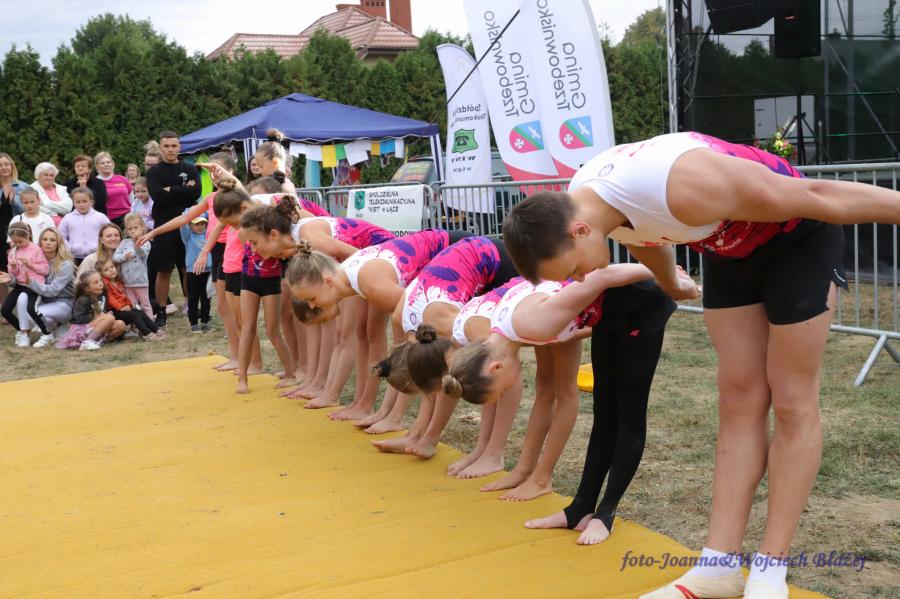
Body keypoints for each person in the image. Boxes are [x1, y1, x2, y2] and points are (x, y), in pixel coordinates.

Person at [501, 131, 900, 599]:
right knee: (738, 398)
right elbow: (641, 233)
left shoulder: (684, 183)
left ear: (579, 231)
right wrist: (671, 283)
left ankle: (770, 569)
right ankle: (718, 568)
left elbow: (817, 194)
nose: (580, 280)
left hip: (797, 238)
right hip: (728, 249)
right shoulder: (590, 205)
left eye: (572, 271)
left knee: (791, 398)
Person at [523, 280, 676, 545]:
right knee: (603, 407)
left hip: (644, 304)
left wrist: (668, 276)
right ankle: (581, 507)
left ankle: (606, 513)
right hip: (608, 304)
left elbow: (615, 270)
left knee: (630, 406)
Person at [367, 236, 521, 444]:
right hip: (474, 255)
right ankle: (420, 435)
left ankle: (491, 450)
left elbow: (487, 362)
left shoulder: (449, 325)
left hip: (498, 261)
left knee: (494, 366)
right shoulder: (405, 321)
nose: (431, 393)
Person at [139, 153, 243, 370]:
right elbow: (183, 218)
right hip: (217, 252)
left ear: (230, 173)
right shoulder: (211, 198)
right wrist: (154, 232)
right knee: (223, 307)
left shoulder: (239, 196)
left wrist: (223, 172)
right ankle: (236, 356)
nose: (214, 175)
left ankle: (248, 359)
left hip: (233, 252)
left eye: (218, 170)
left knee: (237, 310)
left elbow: (240, 193)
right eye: (212, 172)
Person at [146, 131, 201, 326]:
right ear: (160, 148)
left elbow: (196, 193)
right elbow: (157, 195)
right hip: (164, 226)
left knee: (187, 268)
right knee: (164, 269)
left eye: (174, 146)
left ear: (179, 147)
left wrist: (171, 189)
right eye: (166, 146)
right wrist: (183, 190)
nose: (170, 149)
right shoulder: (154, 172)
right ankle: (161, 310)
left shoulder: (190, 169)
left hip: (187, 225)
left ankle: (190, 306)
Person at [19, 227, 77, 347]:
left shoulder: (65, 265)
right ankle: (24, 334)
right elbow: (22, 278)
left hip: (64, 304)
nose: (48, 243)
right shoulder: (35, 260)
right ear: (40, 242)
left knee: (31, 314)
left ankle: (52, 331)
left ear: (58, 243)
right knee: (23, 296)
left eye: (52, 240)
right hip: (44, 301)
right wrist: (12, 279)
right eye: (44, 239)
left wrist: (31, 283)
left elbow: (52, 291)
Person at [1, 222, 50, 347]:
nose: (17, 245)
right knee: (5, 310)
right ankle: (22, 331)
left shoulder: (37, 250)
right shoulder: (13, 251)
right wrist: (13, 267)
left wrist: (30, 264)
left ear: (28, 236)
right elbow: (13, 273)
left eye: (20, 241)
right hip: (19, 285)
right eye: (14, 242)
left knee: (31, 309)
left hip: (34, 285)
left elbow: (45, 270)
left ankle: (47, 333)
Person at [56, 270, 126, 350]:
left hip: (97, 325)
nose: (100, 284)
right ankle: (87, 342)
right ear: (87, 288)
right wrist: (96, 316)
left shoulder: (102, 295)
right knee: (109, 318)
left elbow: (103, 311)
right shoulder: (83, 300)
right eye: (96, 282)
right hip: (82, 328)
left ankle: (99, 341)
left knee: (120, 324)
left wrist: (104, 315)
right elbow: (79, 319)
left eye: (100, 280)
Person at [99, 258, 164, 340]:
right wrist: (120, 307)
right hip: (115, 311)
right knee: (135, 315)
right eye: (106, 270)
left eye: (112, 267)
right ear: (101, 274)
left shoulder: (118, 282)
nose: (111, 270)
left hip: (125, 307)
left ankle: (156, 330)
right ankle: (147, 334)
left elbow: (125, 296)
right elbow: (110, 298)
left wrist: (130, 304)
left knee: (140, 312)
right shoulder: (105, 283)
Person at [114, 214, 153, 319]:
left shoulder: (146, 243)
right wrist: (124, 257)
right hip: (127, 282)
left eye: (136, 228)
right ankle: (136, 325)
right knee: (133, 305)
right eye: (130, 229)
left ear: (142, 227)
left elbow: (142, 254)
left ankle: (150, 324)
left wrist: (137, 243)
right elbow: (115, 257)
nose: (133, 231)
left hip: (140, 281)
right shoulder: (124, 243)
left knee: (145, 304)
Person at [59, 187, 110, 266]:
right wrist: (69, 248)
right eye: (78, 202)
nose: (81, 205)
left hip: (97, 256)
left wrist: (101, 247)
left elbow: (109, 233)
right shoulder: (67, 218)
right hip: (74, 257)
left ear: (91, 201)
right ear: (73, 202)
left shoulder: (100, 217)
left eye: (84, 201)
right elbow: (60, 236)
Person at [180, 214, 212, 332]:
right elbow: (182, 224)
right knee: (193, 298)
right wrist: (188, 213)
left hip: (207, 271)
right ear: (190, 225)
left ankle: (205, 321)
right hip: (193, 272)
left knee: (206, 298)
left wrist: (206, 213)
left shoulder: (208, 235)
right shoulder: (188, 236)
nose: (200, 226)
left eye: (203, 224)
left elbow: (212, 221)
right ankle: (193, 323)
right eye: (197, 224)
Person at [94, 151, 134, 228]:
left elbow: (132, 199)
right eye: (102, 163)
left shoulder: (123, 179)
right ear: (97, 166)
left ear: (112, 164)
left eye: (108, 162)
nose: (106, 164)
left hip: (126, 218)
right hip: (106, 220)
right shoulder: (94, 182)